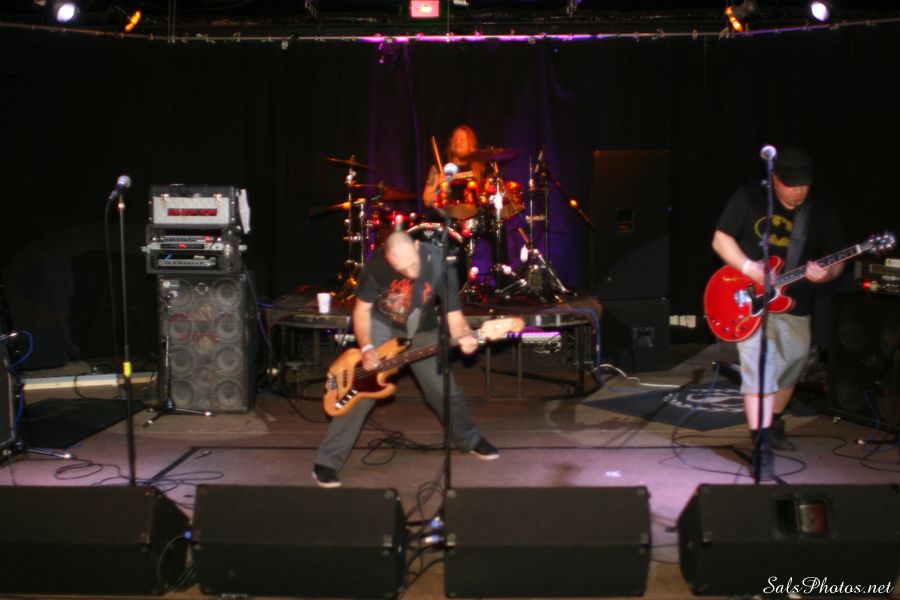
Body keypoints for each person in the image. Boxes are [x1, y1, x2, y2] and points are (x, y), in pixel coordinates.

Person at [312, 231, 499, 488]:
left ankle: (470, 439)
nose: (410, 272)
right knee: (362, 388)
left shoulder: (442, 265)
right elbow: (362, 310)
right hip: (382, 326)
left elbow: (454, 316)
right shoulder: (377, 266)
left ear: (418, 246)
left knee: (444, 389)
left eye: (413, 264)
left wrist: (465, 337)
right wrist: (367, 347)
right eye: (402, 269)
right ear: (389, 260)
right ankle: (328, 461)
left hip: (423, 330)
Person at [711, 147, 845, 480]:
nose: (799, 191)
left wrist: (826, 274)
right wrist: (749, 268)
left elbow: (837, 260)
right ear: (774, 179)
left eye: (804, 184)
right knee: (759, 369)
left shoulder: (821, 211)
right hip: (750, 300)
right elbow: (720, 239)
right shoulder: (749, 197)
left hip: (796, 303)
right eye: (791, 184)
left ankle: (772, 423)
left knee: (792, 367)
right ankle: (762, 447)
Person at [422, 125, 486, 211]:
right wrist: (440, 190)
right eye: (455, 139)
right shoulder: (439, 168)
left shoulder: (479, 167)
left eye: (461, 139)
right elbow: (426, 200)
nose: (457, 142)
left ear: (470, 144)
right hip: (448, 216)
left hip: (474, 215)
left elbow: (487, 196)